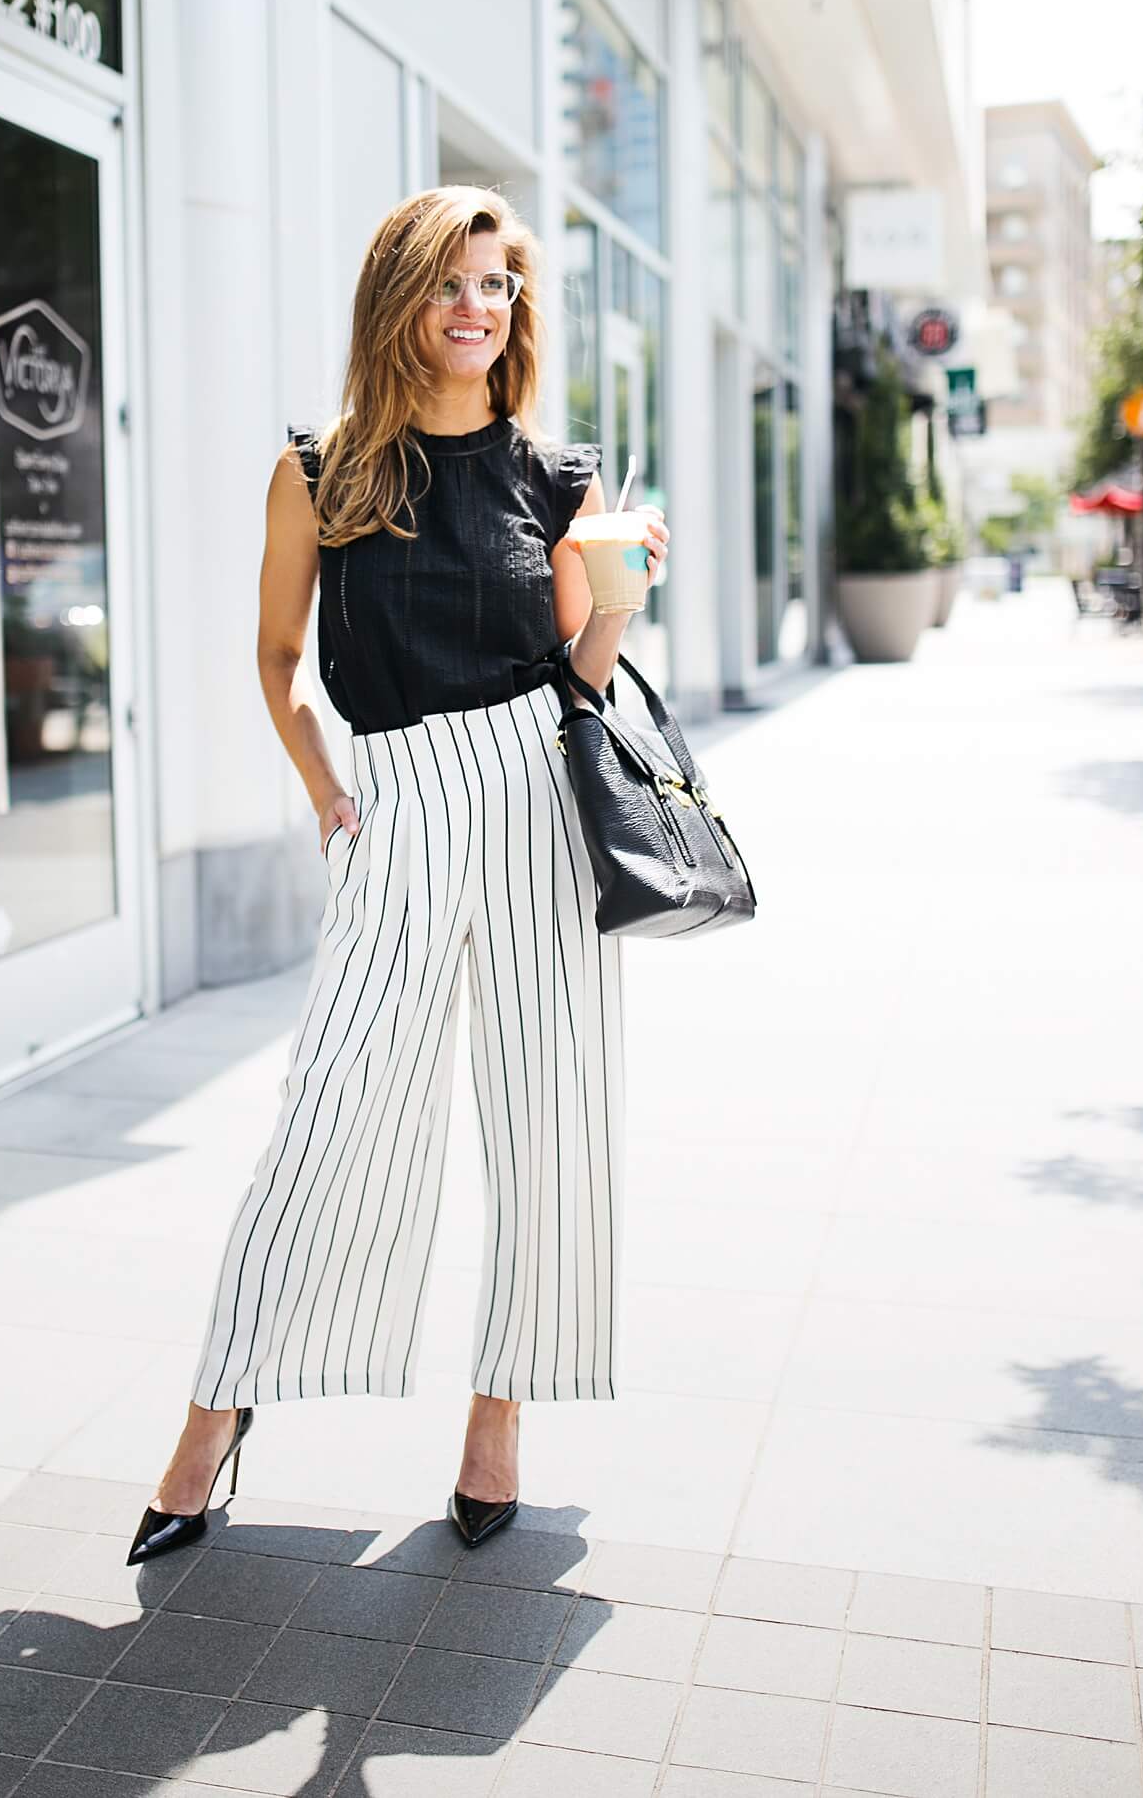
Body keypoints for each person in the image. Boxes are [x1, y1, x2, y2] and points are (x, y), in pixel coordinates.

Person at [128, 186, 668, 1566]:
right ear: (398, 300)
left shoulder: (558, 479)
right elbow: (274, 659)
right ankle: (216, 1414)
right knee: (333, 1118)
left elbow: (582, 678)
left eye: (497, 288)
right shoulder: (319, 472)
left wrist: (614, 595)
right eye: (450, 285)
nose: (476, 310)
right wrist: (324, 791)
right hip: (398, 806)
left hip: (538, 797)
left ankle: (498, 1421)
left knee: (555, 1122)